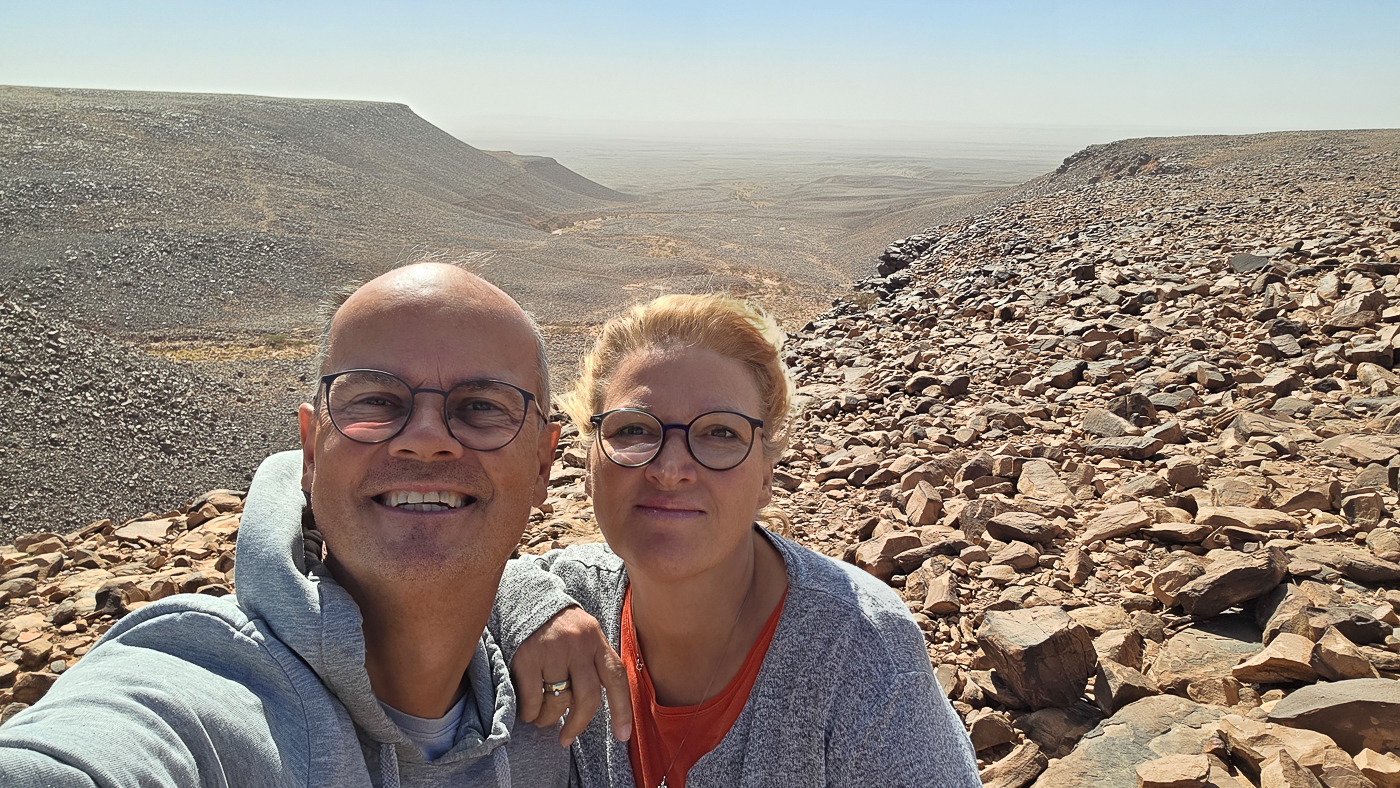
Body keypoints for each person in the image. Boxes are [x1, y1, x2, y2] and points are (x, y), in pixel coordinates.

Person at [0, 262, 629, 787]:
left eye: (481, 407)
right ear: (309, 449)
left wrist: (533, 605)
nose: (427, 439)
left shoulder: (556, 708)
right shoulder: (201, 685)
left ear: (546, 461)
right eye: (376, 401)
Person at [499, 294, 980, 787]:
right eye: (634, 429)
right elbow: (467, 577)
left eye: (720, 434)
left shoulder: (859, 652)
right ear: (589, 464)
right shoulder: (570, 598)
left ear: (767, 475)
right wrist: (530, 609)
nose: (670, 470)